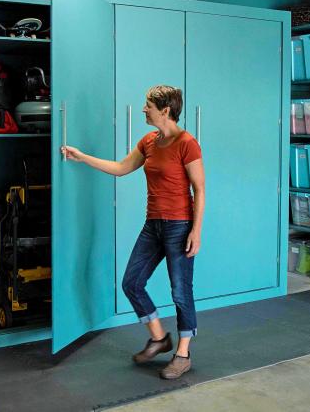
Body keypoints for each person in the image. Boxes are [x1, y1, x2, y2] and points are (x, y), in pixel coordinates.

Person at [61, 85, 205, 380]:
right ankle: (158, 338)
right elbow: (121, 167)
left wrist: (196, 231)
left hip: (179, 226)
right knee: (132, 282)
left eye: (148, 105)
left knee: (180, 291)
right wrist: (82, 157)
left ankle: (182, 353)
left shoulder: (187, 143)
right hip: (152, 225)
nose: (143, 109)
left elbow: (199, 189)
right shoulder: (149, 141)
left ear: (165, 110)